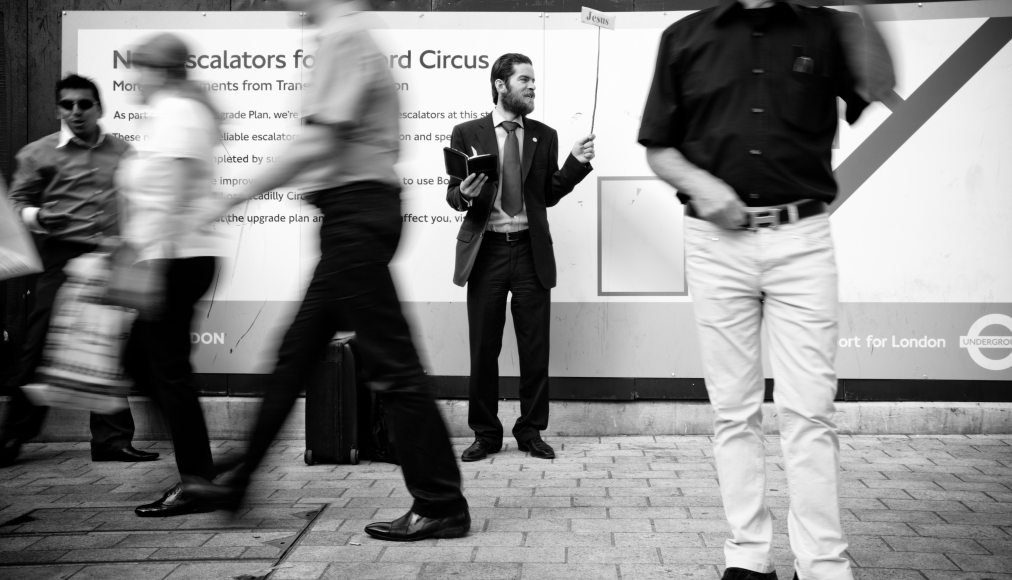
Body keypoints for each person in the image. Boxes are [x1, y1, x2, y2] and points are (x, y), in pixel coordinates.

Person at [197, 0, 470, 542]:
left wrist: (239, 193)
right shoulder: (354, 38)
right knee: (296, 353)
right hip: (352, 216)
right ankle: (240, 477)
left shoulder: (344, 39)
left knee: (391, 366)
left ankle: (440, 501)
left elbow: (319, 140)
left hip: (356, 217)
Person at [638, 1, 895, 579]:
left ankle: (823, 562)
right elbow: (659, 146)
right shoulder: (684, 37)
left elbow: (877, 83)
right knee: (734, 411)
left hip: (802, 237)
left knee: (810, 411)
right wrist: (702, 184)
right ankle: (749, 558)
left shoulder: (826, 26)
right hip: (715, 243)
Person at [1, 74, 158, 467]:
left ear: (99, 108)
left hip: (111, 256)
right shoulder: (37, 154)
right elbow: (18, 201)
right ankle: (11, 438)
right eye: (67, 105)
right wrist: (39, 216)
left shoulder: (123, 151)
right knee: (39, 346)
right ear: (58, 109)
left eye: (84, 104)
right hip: (62, 255)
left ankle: (112, 441)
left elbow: (138, 200)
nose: (75, 111)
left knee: (107, 348)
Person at [446, 53, 595, 463]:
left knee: (535, 348)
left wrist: (575, 165)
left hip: (530, 250)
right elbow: (454, 195)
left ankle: (530, 431)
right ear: (500, 84)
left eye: (534, 81)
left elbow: (547, 194)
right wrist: (467, 193)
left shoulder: (543, 136)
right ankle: (485, 434)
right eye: (525, 80)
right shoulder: (466, 132)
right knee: (483, 348)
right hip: (487, 250)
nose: (532, 87)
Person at [117, 33, 226, 517]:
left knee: (163, 369)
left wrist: (152, 262)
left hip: (175, 258)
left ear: (158, 70)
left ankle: (198, 479)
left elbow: (178, 192)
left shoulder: (179, 112)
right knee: (152, 365)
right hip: (172, 257)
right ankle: (199, 472)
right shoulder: (171, 111)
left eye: (137, 67)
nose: (132, 77)